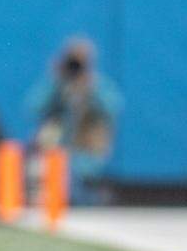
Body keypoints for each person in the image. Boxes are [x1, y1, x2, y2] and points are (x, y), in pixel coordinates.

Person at [26, 36, 122, 205]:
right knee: (35, 165)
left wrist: (91, 88)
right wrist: (54, 82)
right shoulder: (58, 85)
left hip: (86, 152)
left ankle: (91, 198)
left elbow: (113, 108)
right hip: (55, 150)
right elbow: (33, 108)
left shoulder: (98, 86)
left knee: (68, 173)